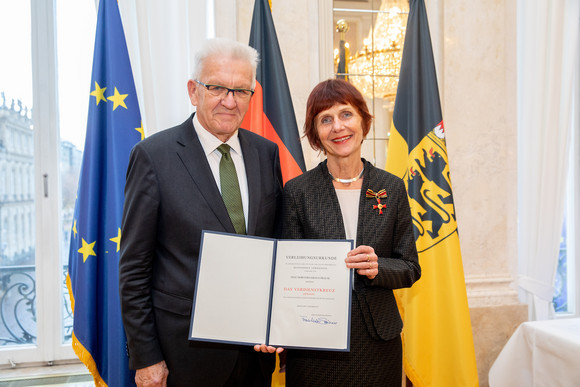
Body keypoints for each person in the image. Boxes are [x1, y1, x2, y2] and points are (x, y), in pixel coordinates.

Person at [119, 38, 283, 387]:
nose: (229, 100)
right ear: (194, 91)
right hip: (183, 356)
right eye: (217, 87)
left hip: (255, 353)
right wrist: (147, 357)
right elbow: (134, 268)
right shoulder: (154, 156)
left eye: (241, 90)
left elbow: (276, 245)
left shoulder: (265, 153)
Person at [256, 79, 421, 386]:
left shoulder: (392, 188)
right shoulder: (298, 192)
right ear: (316, 135)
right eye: (325, 120)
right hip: (314, 343)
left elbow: (410, 268)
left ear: (363, 120)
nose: (338, 127)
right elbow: (287, 275)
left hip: (379, 340)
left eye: (346, 114)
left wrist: (378, 267)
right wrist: (275, 328)